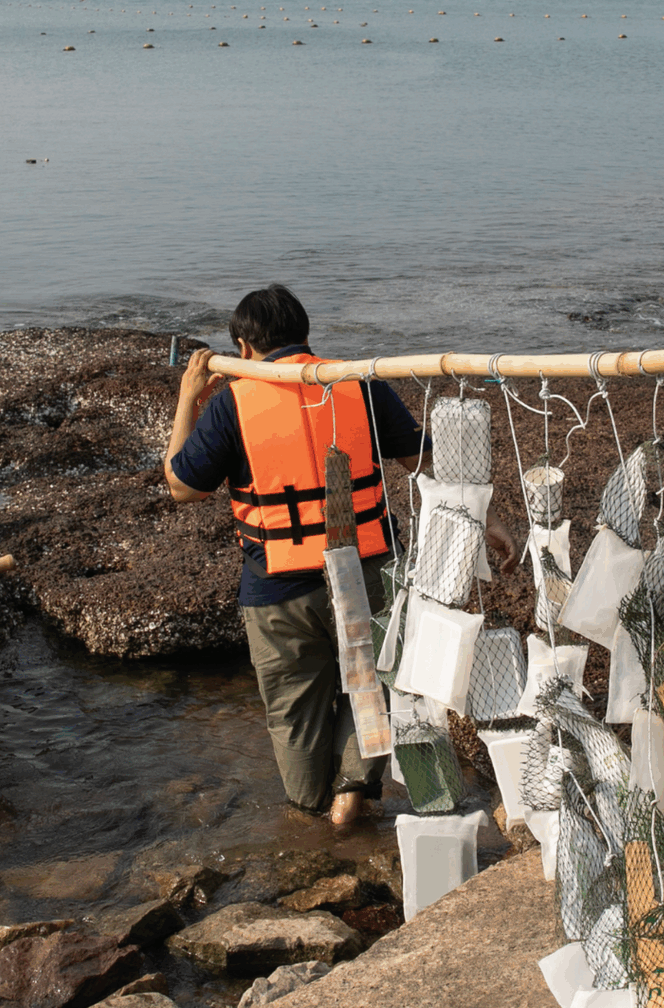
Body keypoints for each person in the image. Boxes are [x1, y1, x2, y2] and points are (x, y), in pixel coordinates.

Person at [164, 285, 518, 824]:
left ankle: (307, 812)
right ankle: (352, 793)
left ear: (242, 346)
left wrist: (189, 395)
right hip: (368, 567)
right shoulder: (356, 381)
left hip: (278, 586)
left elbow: (182, 486)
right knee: (369, 684)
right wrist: (489, 519)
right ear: (307, 336)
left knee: (293, 709)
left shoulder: (232, 402)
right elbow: (421, 460)